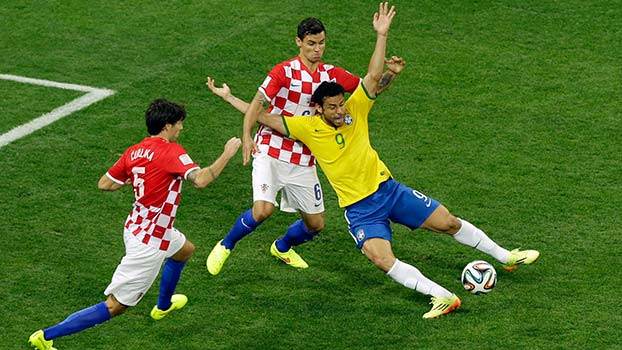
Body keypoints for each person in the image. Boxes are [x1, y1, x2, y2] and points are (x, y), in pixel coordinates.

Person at [221, 3, 540, 318]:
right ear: (318, 109)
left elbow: (373, 78)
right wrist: (231, 101)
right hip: (359, 209)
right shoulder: (305, 127)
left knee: (449, 222)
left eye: (340, 104)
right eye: (332, 107)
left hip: (389, 191)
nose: (340, 110)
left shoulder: (355, 110)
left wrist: (382, 39)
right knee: (381, 258)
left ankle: (506, 255)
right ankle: (442, 296)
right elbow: (263, 114)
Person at [28, 99, 241, 350]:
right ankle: (46, 336)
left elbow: (104, 184)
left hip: (137, 226)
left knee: (185, 250)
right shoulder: (171, 151)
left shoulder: (134, 151)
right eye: (179, 123)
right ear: (166, 126)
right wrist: (227, 153)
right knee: (115, 306)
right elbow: (202, 180)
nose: (181, 128)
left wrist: (136, 179)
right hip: (150, 242)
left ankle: (163, 306)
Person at [205, 4, 401, 275]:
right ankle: (226, 245)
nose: (317, 49)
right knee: (262, 210)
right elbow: (258, 104)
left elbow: (370, 88)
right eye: (311, 43)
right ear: (299, 42)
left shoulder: (331, 74)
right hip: (271, 150)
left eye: (321, 43)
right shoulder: (283, 72)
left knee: (316, 224)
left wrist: (391, 73)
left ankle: (282, 247)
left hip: (304, 157)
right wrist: (247, 135)